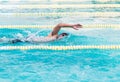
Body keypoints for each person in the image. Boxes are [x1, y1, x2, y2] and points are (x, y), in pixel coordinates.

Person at [0, 23, 82, 43]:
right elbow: (59, 25)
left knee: (11, 41)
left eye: (64, 36)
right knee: (9, 41)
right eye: (63, 35)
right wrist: (71, 25)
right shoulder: (54, 35)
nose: (62, 37)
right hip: (29, 40)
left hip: (31, 42)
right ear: (61, 34)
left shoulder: (55, 40)